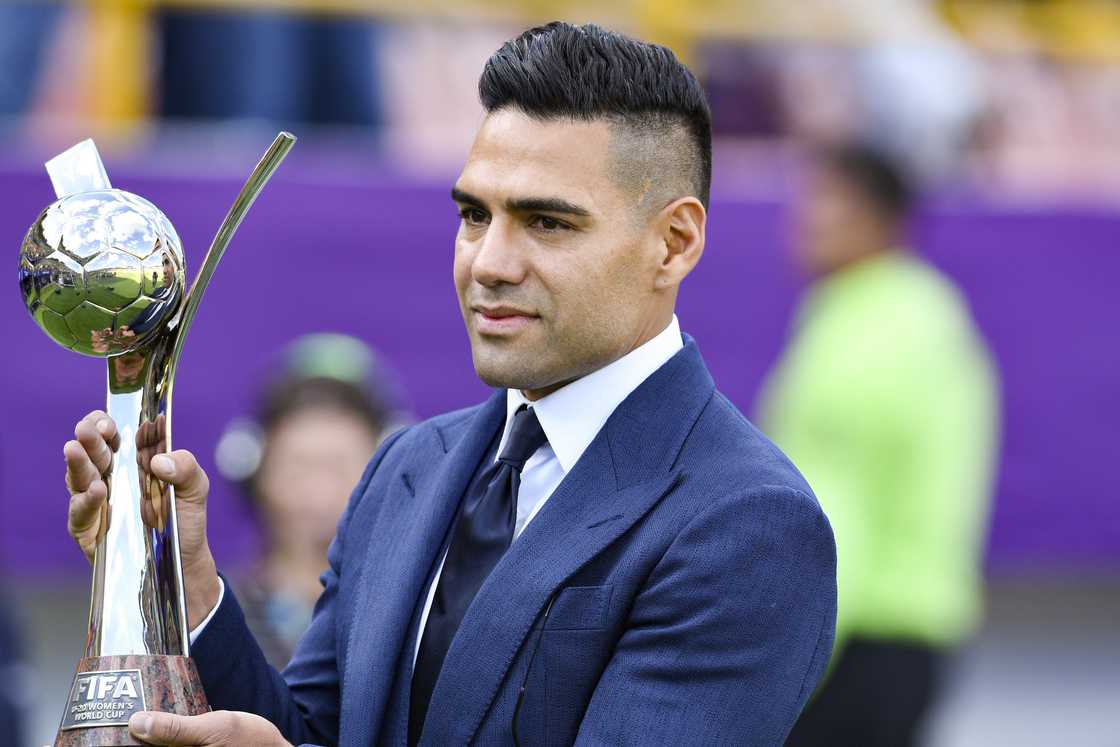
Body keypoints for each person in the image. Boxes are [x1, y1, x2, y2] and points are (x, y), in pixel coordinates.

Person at [62, 23, 837, 746]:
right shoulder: (410, 465)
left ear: (674, 243)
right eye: (475, 214)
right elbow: (311, 732)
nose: (489, 263)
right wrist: (182, 576)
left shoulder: (745, 521)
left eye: (547, 223)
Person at [760, 144, 999, 746]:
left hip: (853, 643)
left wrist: (784, 664)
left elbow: (831, 518)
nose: (806, 217)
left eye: (830, 200)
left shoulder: (867, 340)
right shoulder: (921, 313)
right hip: (911, 633)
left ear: (883, 219)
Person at [220, 334, 407, 669]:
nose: (318, 494)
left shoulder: (417, 620)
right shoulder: (208, 614)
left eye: (338, 467)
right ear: (253, 469)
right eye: (299, 467)